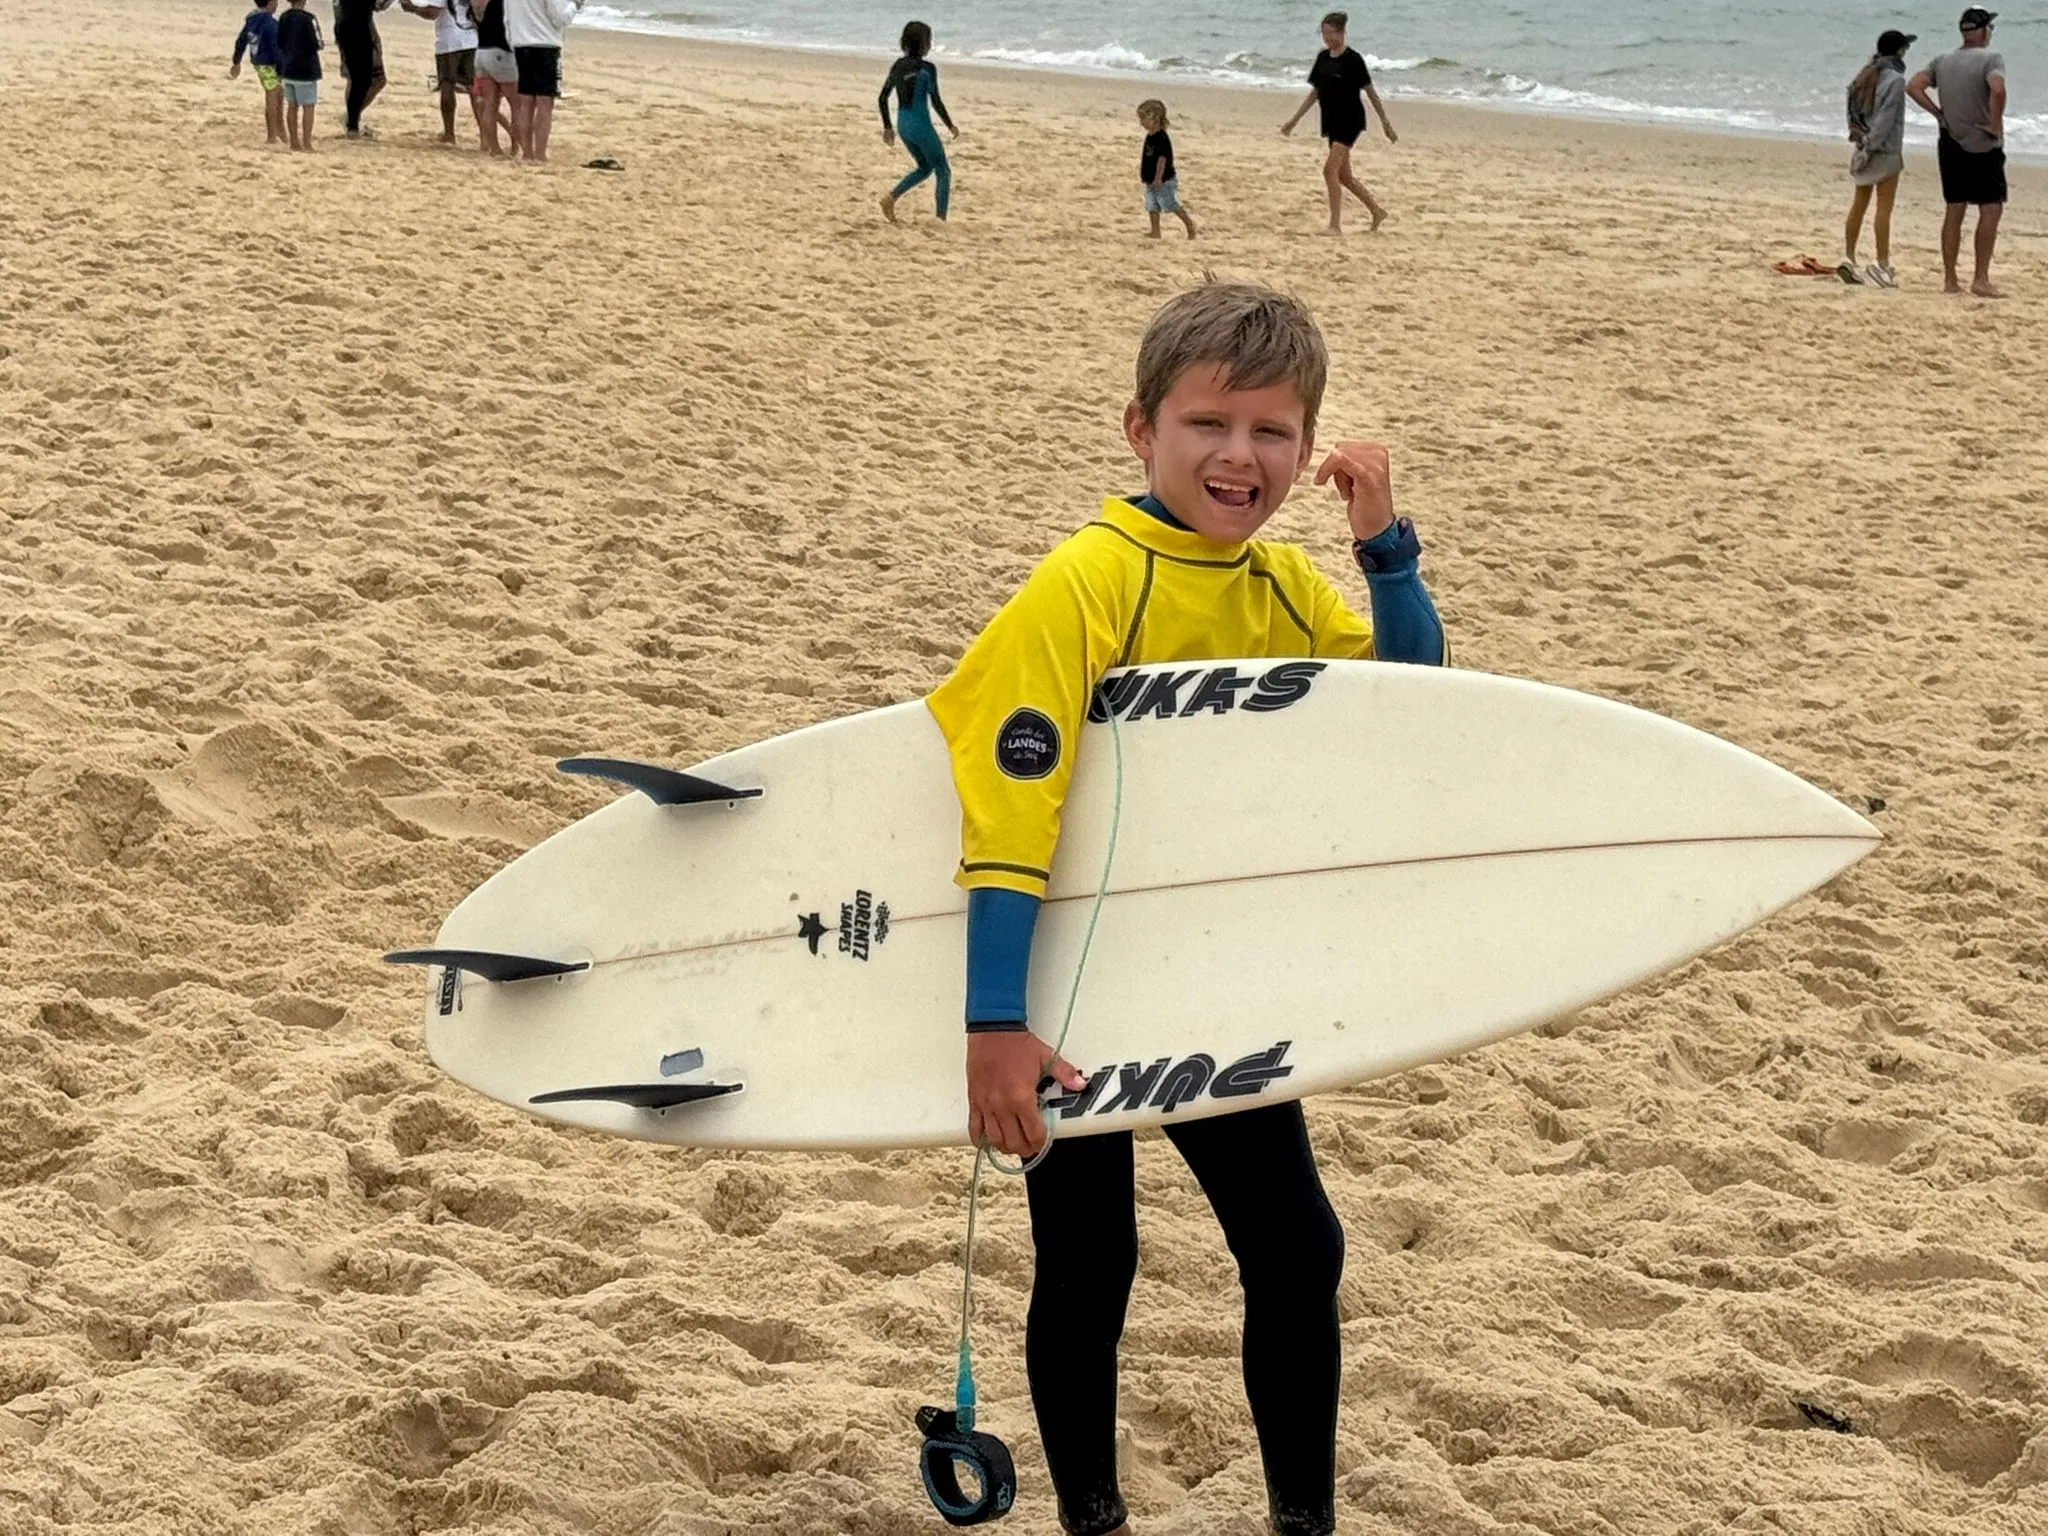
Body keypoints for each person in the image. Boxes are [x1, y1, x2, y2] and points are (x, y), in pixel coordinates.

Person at [927, 281, 1447, 1536]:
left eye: (1272, 432)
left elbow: (1409, 698)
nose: (1238, 456)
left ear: (1305, 448)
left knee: (1295, 1250)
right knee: (1090, 1259)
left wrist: (1385, 546)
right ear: (1139, 430)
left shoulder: (1276, 585)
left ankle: (1300, 1523)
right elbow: (1011, 799)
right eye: (1208, 424)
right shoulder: (1087, 582)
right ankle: (1092, 1517)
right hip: (1073, 985)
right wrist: (994, 1019)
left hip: (1207, 973)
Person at [1908, 7, 2008, 298]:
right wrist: (1994, 123)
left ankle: (1950, 280)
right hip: (1983, 143)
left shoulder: (1944, 60)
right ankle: (1980, 278)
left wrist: (1939, 115)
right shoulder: (1992, 58)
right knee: (1990, 208)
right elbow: (1998, 90)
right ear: (1983, 31)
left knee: (1955, 209)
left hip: (1950, 141)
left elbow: (1914, 86)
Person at [1282, 10, 1396, 235]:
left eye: (1331, 33)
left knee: (1329, 171)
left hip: (1350, 121)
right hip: (1331, 121)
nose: (1327, 38)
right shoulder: (1323, 58)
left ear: (1342, 32)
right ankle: (1377, 211)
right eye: (1323, 34)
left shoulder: (1353, 60)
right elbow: (1315, 92)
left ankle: (1335, 226)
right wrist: (1294, 121)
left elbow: (1371, 92)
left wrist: (1385, 123)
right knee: (1344, 176)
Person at [1842, 29, 1914, 287]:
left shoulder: (1865, 73)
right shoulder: (1895, 79)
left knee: (1859, 204)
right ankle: (1882, 265)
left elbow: (1852, 106)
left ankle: (1848, 257)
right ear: (1899, 51)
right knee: (1884, 208)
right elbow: (1886, 118)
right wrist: (1872, 144)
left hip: (1863, 147)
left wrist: (1860, 141)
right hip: (1884, 150)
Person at [879, 21, 958, 223]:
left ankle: (890, 199)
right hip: (920, 124)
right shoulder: (927, 68)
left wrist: (888, 127)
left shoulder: (897, 66)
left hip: (903, 125)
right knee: (943, 170)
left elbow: (882, 97)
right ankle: (940, 219)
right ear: (923, 44)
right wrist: (950, 125)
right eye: (929, 41)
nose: (930, 45)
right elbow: (936, 100)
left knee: (924, 167)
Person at [504, 0, 582, 162]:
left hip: (521, 43)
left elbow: (507, 19)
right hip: (545, 44)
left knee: (527, 102)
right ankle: (539, 153)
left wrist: (513, 40)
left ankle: (527, 152)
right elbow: (560, 17)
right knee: (544, 102)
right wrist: (575, 4)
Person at [401, 0, 483, 146]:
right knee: (473, 89)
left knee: (447, 85)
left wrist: (412, 8)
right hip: (471, 37)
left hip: (449, 40)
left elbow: (433, 13)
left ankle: (449, 134)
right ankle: (485, 133)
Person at [1136, 100, 1198, 240]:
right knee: (1152, 206)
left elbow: (1162, 160)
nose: (1141, 122)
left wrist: (1158, 177)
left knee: (1169, 204)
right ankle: (1155, 231)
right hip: (1150, 179)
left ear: (1155, 117)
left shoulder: (1161, 138)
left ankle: (1189, 224)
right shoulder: (1150, 136)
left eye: (1143, 118)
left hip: (1164, 180)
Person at [334, 0, 394, 139]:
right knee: (363, 80)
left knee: (358, 79)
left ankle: (353, 123)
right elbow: (379, 4)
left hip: (346, 27)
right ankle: (352, 122)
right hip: (359, 28)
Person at [231, 0, 287, 146]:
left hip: (259, 63)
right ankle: (271, 136)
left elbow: (241, 41)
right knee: (272, 98)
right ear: (270, 4)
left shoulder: (251, 20)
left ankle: (280, 130)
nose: (277, 5)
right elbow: (276, 48)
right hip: (270, 64)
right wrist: (281, 68)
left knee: (278, 96)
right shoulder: (271, 24)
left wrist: (236, 62)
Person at [470, 0, 523, 156]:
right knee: (516, 104)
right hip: (501, 51)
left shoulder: (486, 3)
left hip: (481, 50)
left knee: (489, 104)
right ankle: (520, 146)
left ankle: (495, 148)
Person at [275, 0, 324, 151]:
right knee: (308, 107)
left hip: (288, 68)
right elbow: (317, 43)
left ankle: (294, 141)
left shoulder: (283, 17)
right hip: (306, 70)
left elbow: (280, 42)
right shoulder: (309, 18)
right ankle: (307, 142)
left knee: (292, 106)